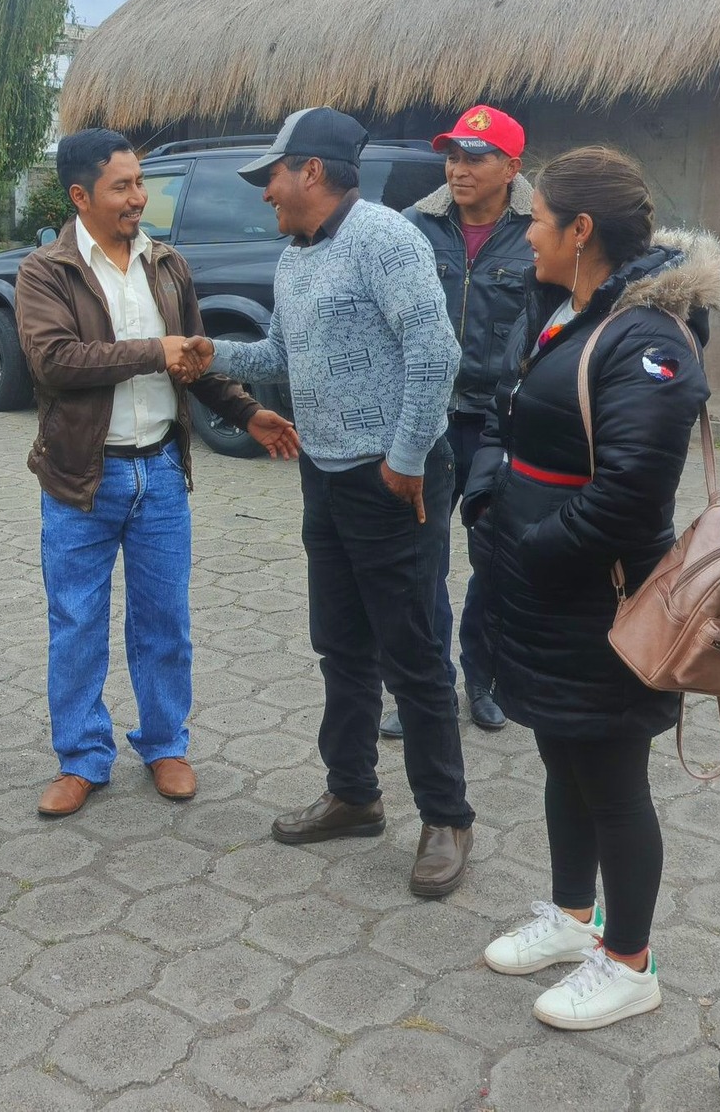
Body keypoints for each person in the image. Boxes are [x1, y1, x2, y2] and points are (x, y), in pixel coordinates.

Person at [466, 148, 720, 1030]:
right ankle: (574, 916)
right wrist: (489, 496)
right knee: (561, 755)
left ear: (581, 230)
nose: (527, 235)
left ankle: (630, 961)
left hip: (598, 595)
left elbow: (628, 497)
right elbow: (509, 411)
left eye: (538, 220)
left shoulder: (647, 341)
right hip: (541, 588)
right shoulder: (571, 308)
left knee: (612, 779)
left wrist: (534, 548)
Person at [209, 108, 473, 897]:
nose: (265, 193)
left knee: (412, 653)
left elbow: (435, 351)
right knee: (341, 644)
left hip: (392, 480)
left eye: (272, 177)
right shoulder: (295, 259)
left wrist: (405, 457)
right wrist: (208, 353)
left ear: (312, 171)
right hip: (324, 476)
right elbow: (280, 358)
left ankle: (447, 816)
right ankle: (354, 793)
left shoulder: (385, 238)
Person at [16, 129, 297, 817]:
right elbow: (55, 361)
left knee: (165, 622)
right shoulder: (46, 272)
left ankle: (166, 743)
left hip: (162, 473)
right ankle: (81, 757)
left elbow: (192, 360)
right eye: (122, 186)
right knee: (76, 624)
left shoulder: (166, 264)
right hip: (82, 479)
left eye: (140, 183)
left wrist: (246, 411)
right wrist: (154, 351)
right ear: (80, 195)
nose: (138, 197)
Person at [393, 102, 534, 735]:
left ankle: (484, 679)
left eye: (476, 157)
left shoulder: (539, 232)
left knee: (496, 559)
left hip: (499, 422)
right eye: (452, 156)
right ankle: (423, 686)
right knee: (417, 561)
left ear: (511, 167)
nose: (459, 169)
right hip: (425, 418)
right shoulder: (412, 228)